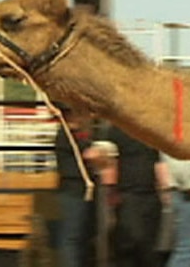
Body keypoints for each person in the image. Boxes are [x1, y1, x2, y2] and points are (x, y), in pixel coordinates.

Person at [53, 105, 114, 267]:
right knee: (71, 238)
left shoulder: (77, 136)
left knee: (80, 236)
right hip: (73, 191)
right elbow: (92, 155)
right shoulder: (67, 135)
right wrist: (105, 154)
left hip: (79, 190)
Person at [105, 124, 170, 267]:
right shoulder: (116, 130)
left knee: (149, 247)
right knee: (130, 244)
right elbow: (110, 163)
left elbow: (157, 159)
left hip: (150, 195)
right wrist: (112, 190)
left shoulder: (150, 129)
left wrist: (165, 190)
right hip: (128, 195)